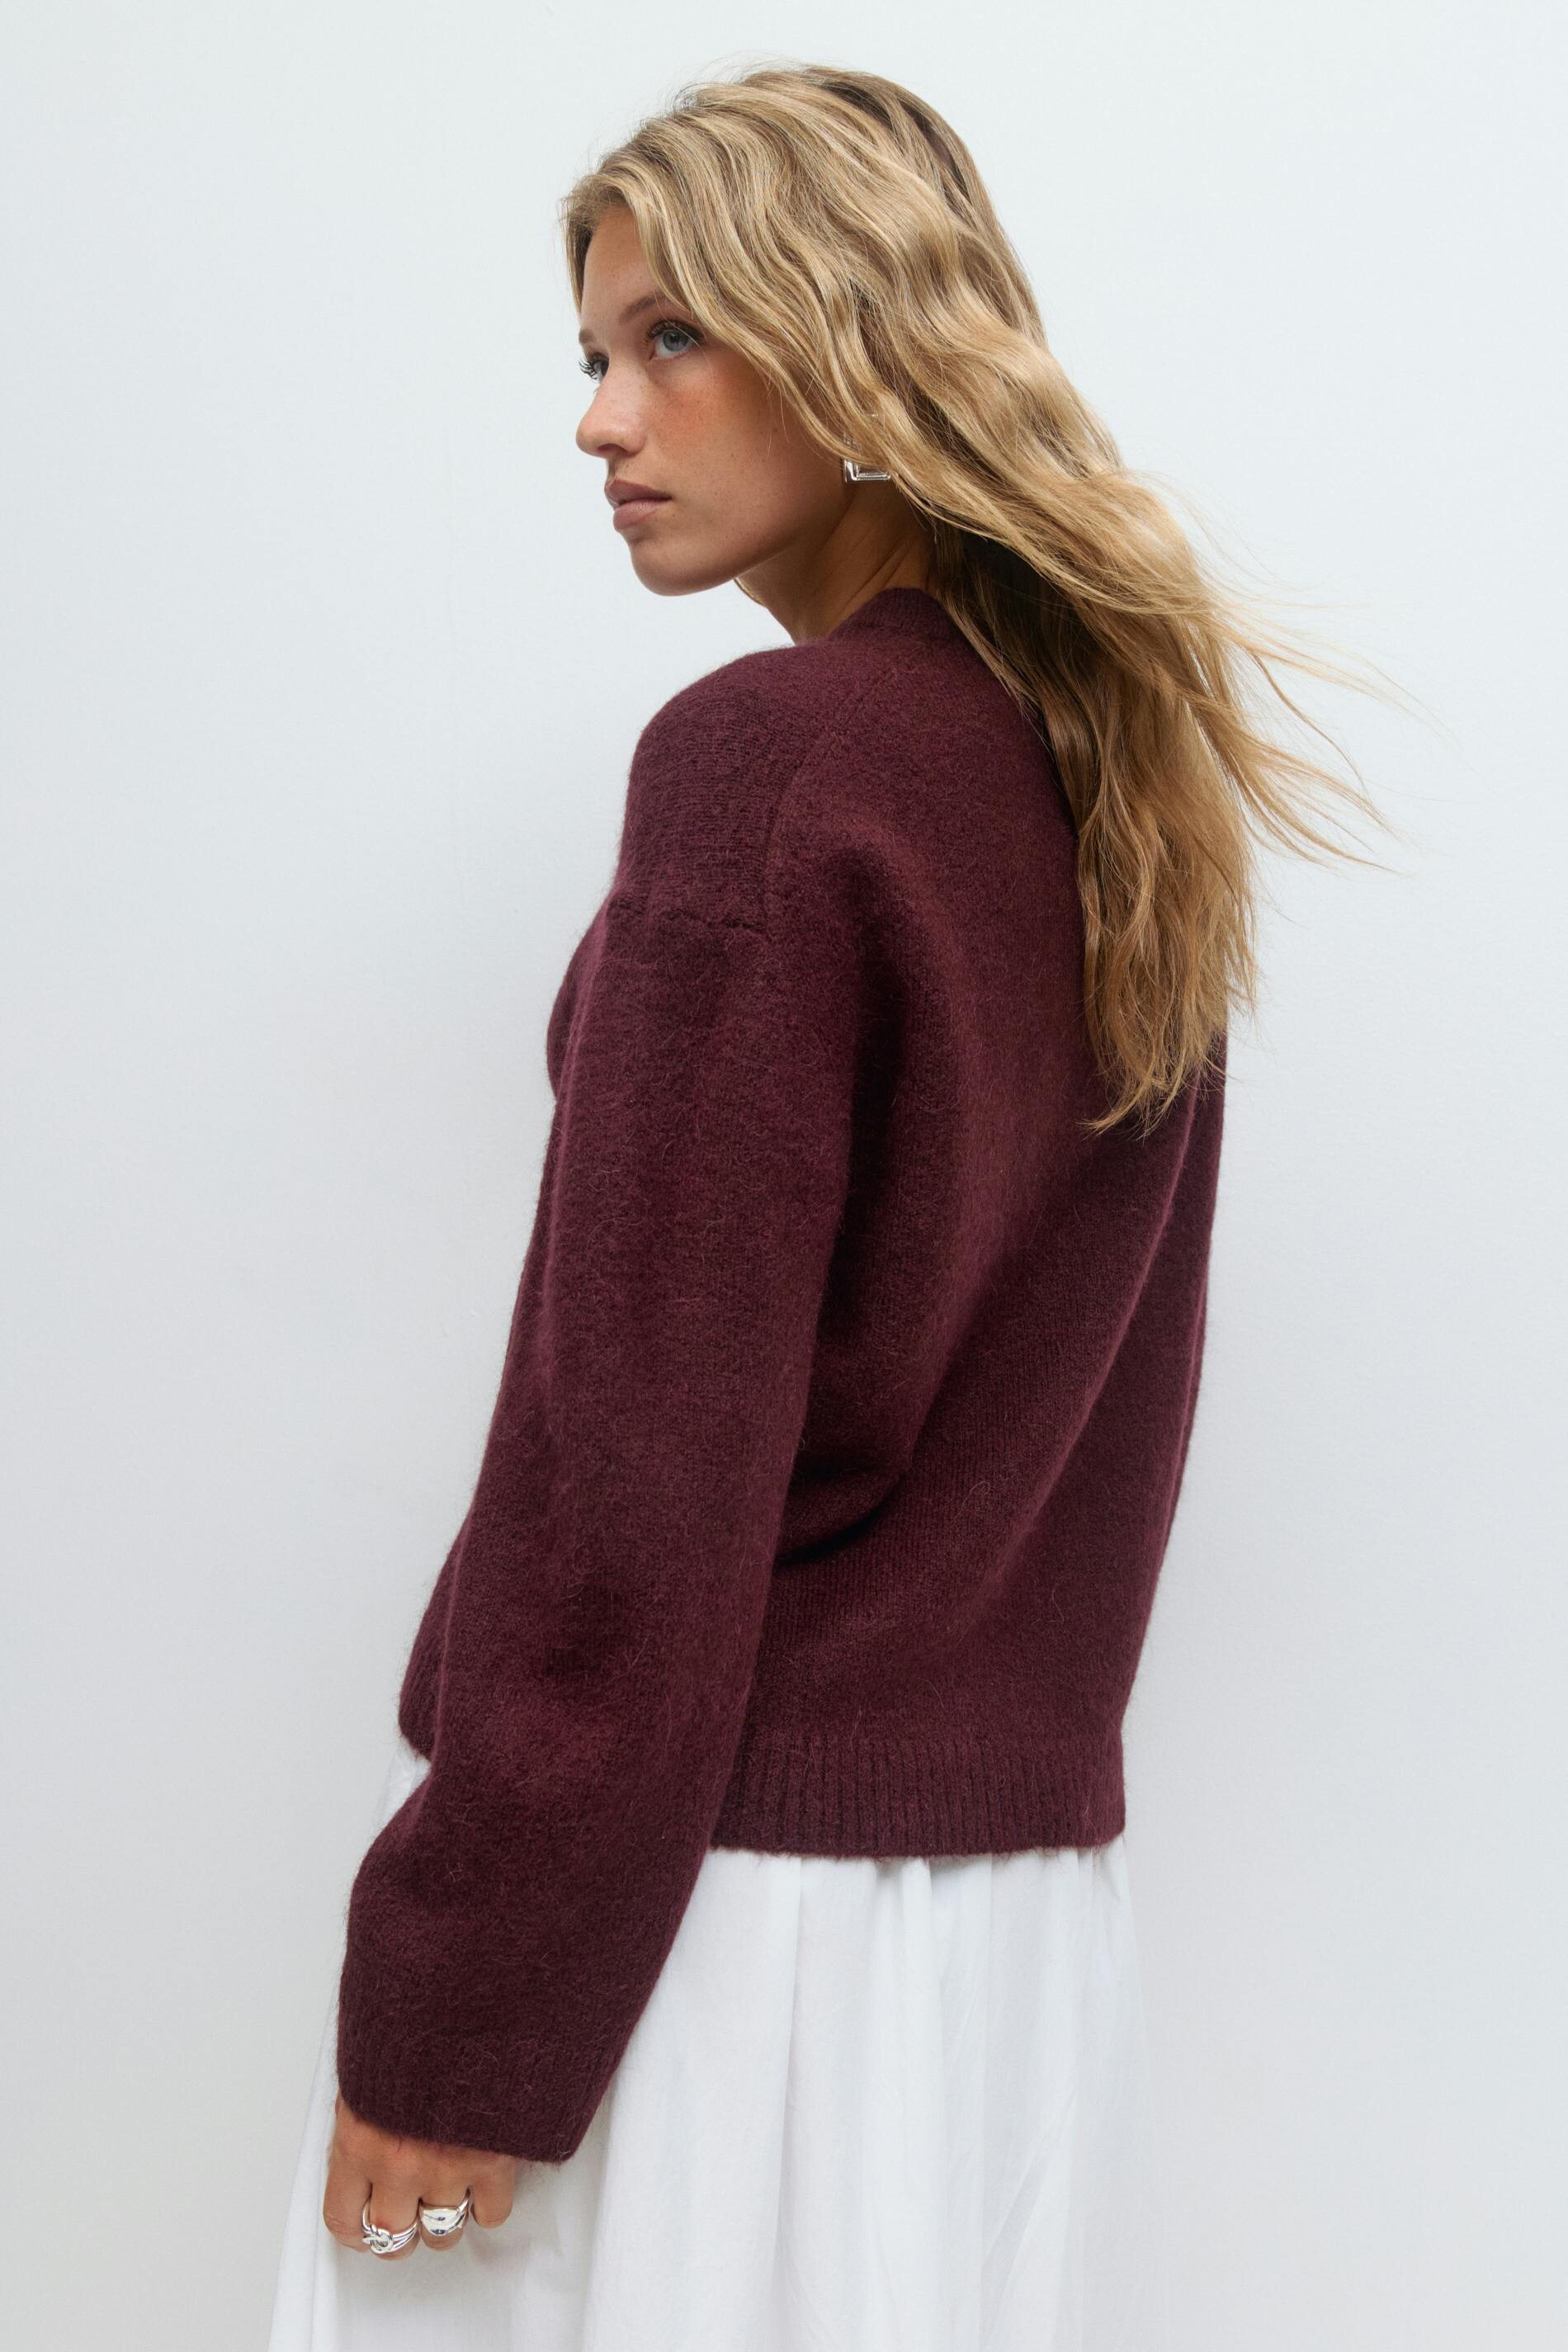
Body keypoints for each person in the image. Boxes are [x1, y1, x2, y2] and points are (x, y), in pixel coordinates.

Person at [267, 61, 1391, 2352]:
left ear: (850, 332)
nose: (601, 418)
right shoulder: (1100, 768)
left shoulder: (770, 768)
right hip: (991, 1947)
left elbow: (636, 1463)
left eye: (670, 337)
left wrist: (463, 2007)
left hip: (702, 1941)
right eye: (596, 351)